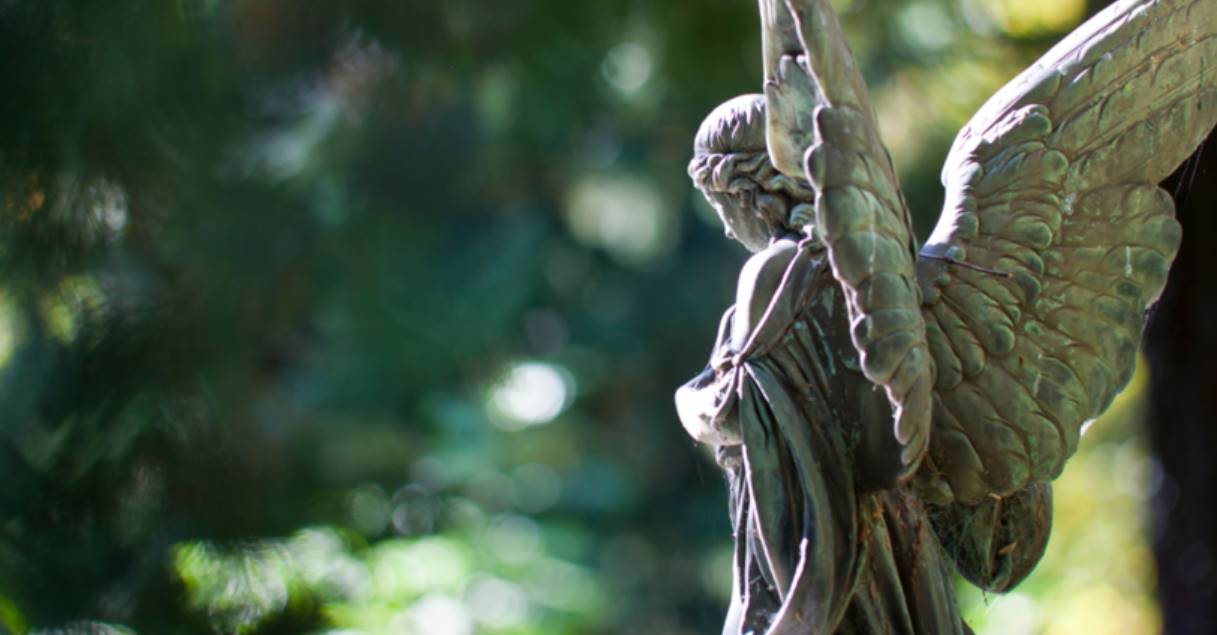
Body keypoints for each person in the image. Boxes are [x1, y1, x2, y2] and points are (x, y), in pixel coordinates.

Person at [676, 94, 1052, 635]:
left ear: (749, 192)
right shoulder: (865, 273)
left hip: (828, 545)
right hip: (891, 532)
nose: (730, 231)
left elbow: (743, 408)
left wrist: (688, 403)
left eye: (722, 208)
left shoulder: (776, 272)